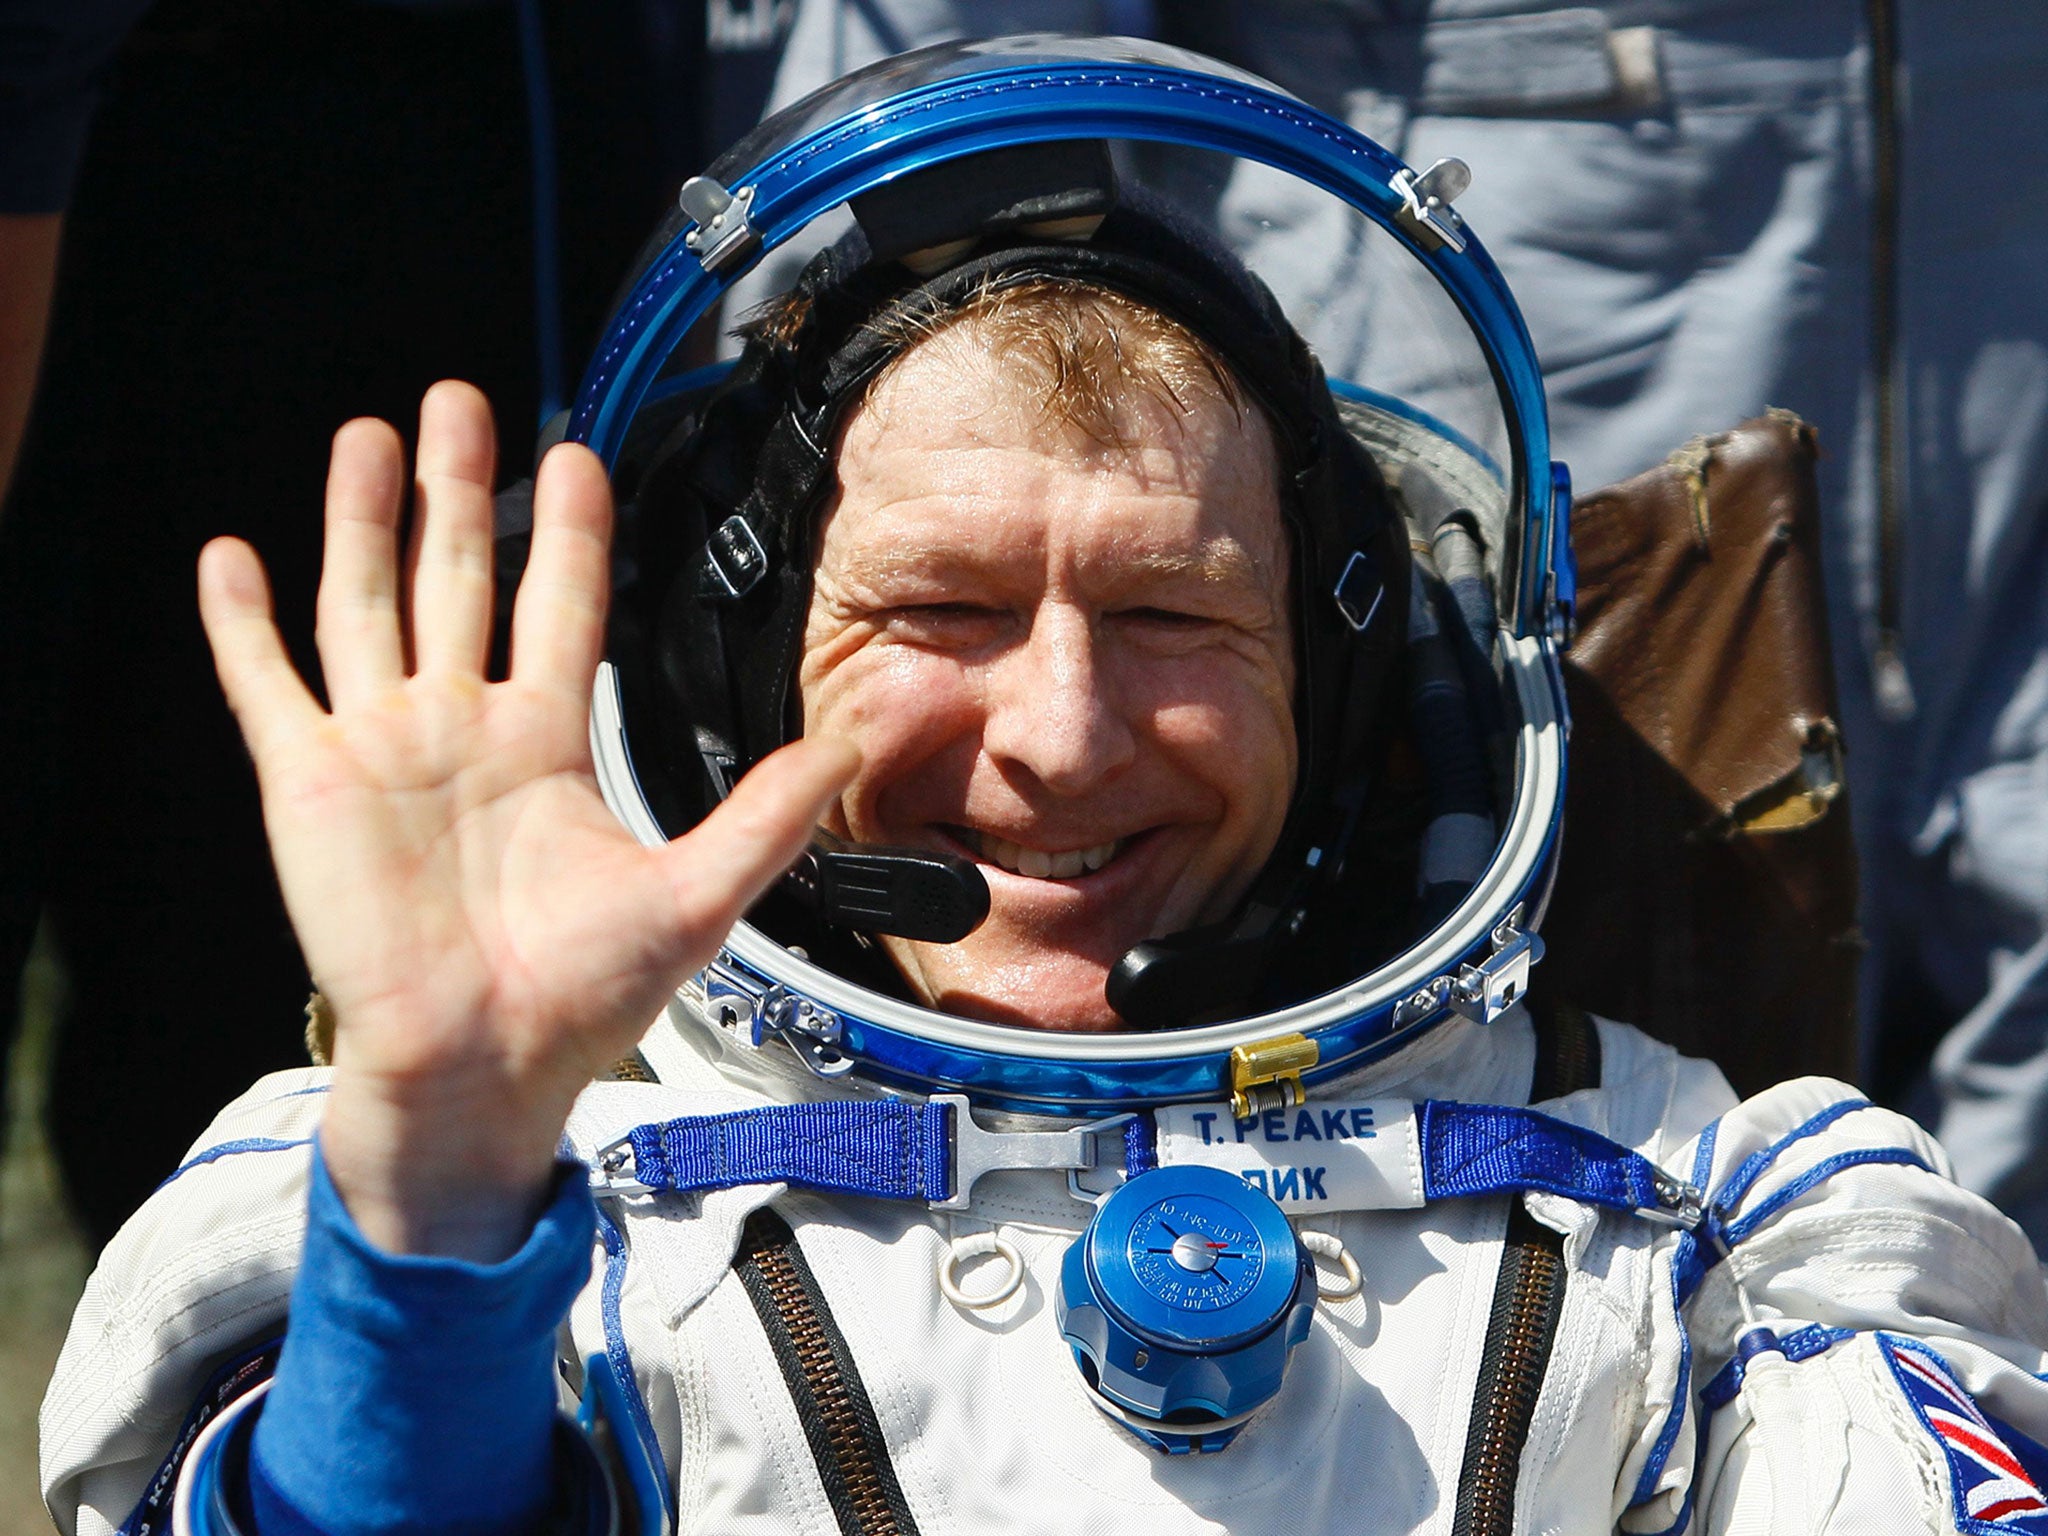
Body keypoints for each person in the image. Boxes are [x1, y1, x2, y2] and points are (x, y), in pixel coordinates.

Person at [40, 38, 2048, 1536]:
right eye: (945, 608)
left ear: (1342, 677)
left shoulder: (1724, 1215)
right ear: (732, 676)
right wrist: (448, 1193)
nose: (1065, 737)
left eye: (1177, 613)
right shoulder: (489, 1193)